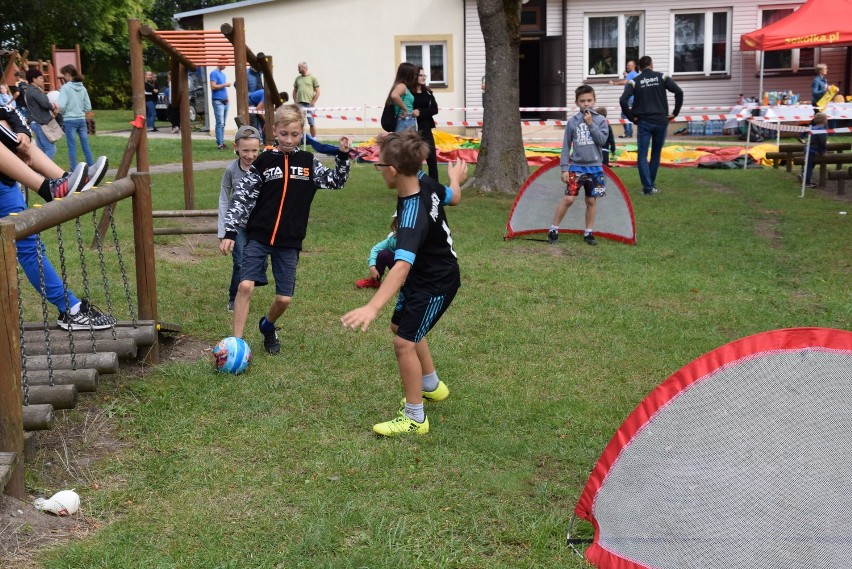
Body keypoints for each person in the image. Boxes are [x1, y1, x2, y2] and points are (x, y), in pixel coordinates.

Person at [341, 130, 466, 437]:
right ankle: (431, 385)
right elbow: (454, 197)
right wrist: (455, 179)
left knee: (403, 343)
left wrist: (372, 306)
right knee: (402, 329)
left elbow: (400, 266)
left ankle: (415, 418)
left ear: (394, 171)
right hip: (424, 276)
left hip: (435, 282)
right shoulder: (424, 181)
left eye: (379, 165)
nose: (378, 170)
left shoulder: (411, 215)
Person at [220, 104, 351, 354]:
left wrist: (343, 156)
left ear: (302, 133)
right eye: (283, 134)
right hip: (259, 236)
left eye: (294, 134)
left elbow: (337, 182)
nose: (289, 140)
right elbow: (241, 198)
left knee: (283, 299)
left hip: (289, 241)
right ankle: (236, 344)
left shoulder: (309, 162)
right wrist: (230, 232)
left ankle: (267, 326)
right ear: (274, 131)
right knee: (245, 286)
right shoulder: (264, 162)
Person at [0, 125, 115, 331]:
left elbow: (10, 116)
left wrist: (22, 135)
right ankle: (53, 187)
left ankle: (70, 308)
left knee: (28, 245)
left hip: (4, 179)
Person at [548, 86, 609, 247]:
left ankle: (588, 232)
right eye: (582, 101)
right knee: (569, 199)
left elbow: (602, 141)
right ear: (577, 102)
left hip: (595, 168)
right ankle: (553, 229)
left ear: (594, 101)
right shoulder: (573, 122)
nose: (586, 104)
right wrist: (564, 168)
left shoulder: (601, 121)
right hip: (577, 167)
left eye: (589, 100)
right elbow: (566, 146)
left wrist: (591, 124)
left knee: (591, 201)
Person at [620, 55, 683, 195]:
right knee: (655, 154)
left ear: (639, 68)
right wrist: (675, 113)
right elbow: (679, 92)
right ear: (651, 64)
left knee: (642, 155)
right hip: (661, 121)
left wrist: (632, 118)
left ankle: (648, 188)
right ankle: (650, 186)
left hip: (644, 122)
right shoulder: (662, 77)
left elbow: (623, 100)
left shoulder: (634, 81)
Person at [218, 125, 263, 312]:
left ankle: (247, 289)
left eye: (254, 150)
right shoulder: (231, 170)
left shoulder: (264, 168)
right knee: (239, 262)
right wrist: (223, 230)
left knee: (257, 262)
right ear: (236, 147)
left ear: (260, 147)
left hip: (260, 225)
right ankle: (233, 297)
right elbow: (223, 199)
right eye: (245, 150)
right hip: (238, 226)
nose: (250, 155)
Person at [58, 65, 96, 168]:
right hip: (81, 120)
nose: (63, 77)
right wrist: (80, 111)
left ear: (67, 74)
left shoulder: (65, 87)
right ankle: (92, 166)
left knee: (71, 147)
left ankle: (73, 170)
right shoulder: (83, 88)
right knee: (85, 144)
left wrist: (64, 112)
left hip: (69, 120)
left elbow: (61, 105)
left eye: (63, 75)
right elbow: (88, 107)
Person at [355, 213, 397, 289]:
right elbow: (375, 249)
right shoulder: (392, 237)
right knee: (383, 254)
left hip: (412, 269)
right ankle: (375, 281)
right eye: (398, 220)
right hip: (397, 265)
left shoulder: (415, 238)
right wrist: (372, 267)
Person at [412, 66, 440, 181]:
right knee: (416, 159)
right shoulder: (409, 93)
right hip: (413, 129)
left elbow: (434, 109)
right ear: (414, 77)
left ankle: (435, 185)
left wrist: (421, 112)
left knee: (431, 158)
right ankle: (416, 185)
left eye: (424, 75)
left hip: (426, 128)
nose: (424, 77)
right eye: (421, 75)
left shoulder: (427, 93)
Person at [24, 68, 58, 159]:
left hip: (35, 122)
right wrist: (53, 107)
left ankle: (39, 171)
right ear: (34, 79)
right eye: (40, 78)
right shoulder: (34, 91)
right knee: (51, 148)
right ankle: (47, 171)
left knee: (42, 149)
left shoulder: (30, 90)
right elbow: (45, 103)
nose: (43, 80)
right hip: (39, 122)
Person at [609, 60, 638, 138]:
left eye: (628, 65)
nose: (627, 66)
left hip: (629, 98)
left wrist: (614, 83)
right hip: (634, 98)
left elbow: (625, 82)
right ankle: (630, 133)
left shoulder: (631, 74)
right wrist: (626, 75)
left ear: (633, 66)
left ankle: (627, 133)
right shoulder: (636, 74)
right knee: (629, 114)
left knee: (624, 115)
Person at [387, 62, 419, 133]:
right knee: (405, 143)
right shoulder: (402, 86)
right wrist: (405, 109)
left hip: (406, 119)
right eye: (414, 74)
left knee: (404, 143)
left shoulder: (401, 86)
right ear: (408, 74)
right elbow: (394, 95)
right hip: (406, 120)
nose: (415, 76)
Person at [798, 112, 828, 188]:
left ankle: (803, 175)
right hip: (813, 150)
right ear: (824, 120)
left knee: (808, 164)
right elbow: (822, 142)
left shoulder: (812, 128)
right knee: (809, 165)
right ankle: (807, 181)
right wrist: (823, 152)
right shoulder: (821, 130)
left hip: (807, 148)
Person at [292, 62, 320, 137]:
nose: (298, 69)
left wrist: (313, 102)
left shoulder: (313, 78)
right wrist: (295, 101)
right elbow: (294, 91)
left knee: (311, 122)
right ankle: (300, 138)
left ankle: (314, 138)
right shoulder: (298, 79)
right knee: (300, 122)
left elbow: (318, 91)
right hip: (300, 104)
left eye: (299, 67)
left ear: (304, 68)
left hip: (309, 104)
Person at [210, 61, 231, 150]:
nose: (226, 65)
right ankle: (220, 144)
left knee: (223, 123)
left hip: (225, 101)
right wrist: (225, 84)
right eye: (225, 63)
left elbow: (224, 89)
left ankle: (222, 142)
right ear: (219, 63)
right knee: (220, 123)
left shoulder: (223, 74)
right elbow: (213, 86)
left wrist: (228, 98)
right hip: (217, 101)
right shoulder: (213, 73)